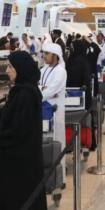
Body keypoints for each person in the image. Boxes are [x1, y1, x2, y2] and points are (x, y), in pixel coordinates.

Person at [0, 51, 48, 210]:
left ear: (21, 69)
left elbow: (18, 131)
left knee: (18, 206)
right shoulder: (21, 91)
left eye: (11, 67)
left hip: (20, 163)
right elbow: (11, 123)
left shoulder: (26, 95)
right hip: (18, 158)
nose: (7, 70)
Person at [40, 44, 67, 183]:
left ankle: (58, 179)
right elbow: (40, 87)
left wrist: (44, 90)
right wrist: (43, 89)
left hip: (56, 112)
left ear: (55, 55)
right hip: (43, 109)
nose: (44, 56)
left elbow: (51, 90)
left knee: (57, 142)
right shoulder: (43, 69)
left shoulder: (60, 71)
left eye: (47, 53)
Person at [66, 40, 92, 111]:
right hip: (75, 94)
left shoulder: (76, 61)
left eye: (73, 47)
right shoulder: (80, 61)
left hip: (74, 94)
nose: (71, 49)